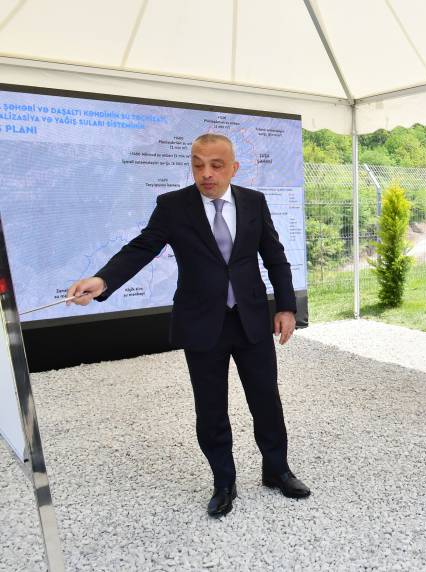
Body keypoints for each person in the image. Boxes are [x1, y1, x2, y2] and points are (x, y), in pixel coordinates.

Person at [66, 133, 310, 518]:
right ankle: (224, 481)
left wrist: (285, 307)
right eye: (197, 164)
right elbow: (142, 248)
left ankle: (276, 470)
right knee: (211, 409)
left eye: (215, 165)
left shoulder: (254, 202)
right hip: (202, 323)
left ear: (234, 168)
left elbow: (275, 257)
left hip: (251, 320)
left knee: (266, 399)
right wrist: (103, 281)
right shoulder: (173, 206)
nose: (206, 174)